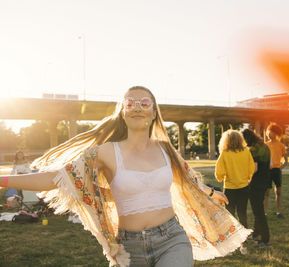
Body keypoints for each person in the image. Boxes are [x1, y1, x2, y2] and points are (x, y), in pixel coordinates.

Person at [0, 86, 252, 267]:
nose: (137, 107)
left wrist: (209, 192)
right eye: (129, 103)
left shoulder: (166, 149)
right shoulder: (106, 152)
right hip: (128, 248)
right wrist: (3, 180)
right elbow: (57, 178)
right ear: (123, 112)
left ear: (154, 113)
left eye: (145, 103)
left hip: (172, 238)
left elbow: (186, 178)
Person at [215, 129, 255, 255]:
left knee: (229, 217)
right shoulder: (246, 152)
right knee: (242, 214)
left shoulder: (224, 154)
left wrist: (222, 177)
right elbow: (251, 169)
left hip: (230, 189)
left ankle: (230, 247)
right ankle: (243, 246)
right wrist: (247, 178)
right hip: (244, 188)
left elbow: (219, 174)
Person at [242, 129, 271, 248]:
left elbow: (254, 169)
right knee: (259, 208)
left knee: (258, 212)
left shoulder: (253, 150)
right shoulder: (264, 146)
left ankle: (265, 239)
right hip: (265, 181)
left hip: (256, 183)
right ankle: (256, 233)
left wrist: (246, 180)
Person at [264, 122, 288, 218]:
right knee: (266, 192)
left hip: (276, 171)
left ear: (276, 133)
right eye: (269, 132)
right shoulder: (265, 145)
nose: (270, 134)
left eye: (272, 132)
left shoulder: (281, 145)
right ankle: (264, 213)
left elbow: (286, 161)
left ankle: (278, 212)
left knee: (278, 192)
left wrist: (280, 167)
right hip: (267, 171)